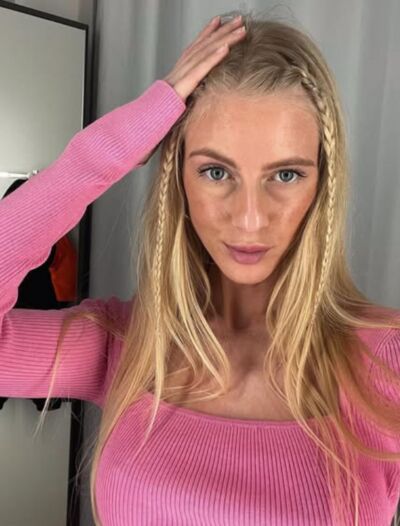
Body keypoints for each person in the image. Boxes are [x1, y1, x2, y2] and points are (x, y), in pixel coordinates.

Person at [1, 9, 399, 526]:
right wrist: (107, 152)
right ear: (178, 180)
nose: (250, 217)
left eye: (285, 174)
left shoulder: (386, 361)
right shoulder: (128, 344)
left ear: (322, 184)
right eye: (215, 171)